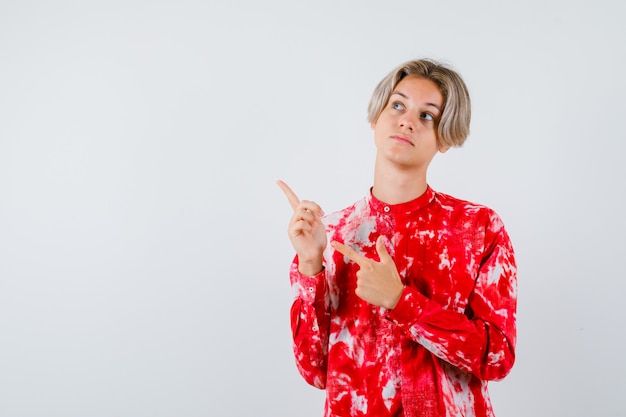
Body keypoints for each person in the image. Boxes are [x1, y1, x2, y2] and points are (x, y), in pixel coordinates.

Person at [277, 58, 517, 417]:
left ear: (445, 138)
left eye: (427, 116)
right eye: (398, 105)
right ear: (376, 119)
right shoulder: (332, 235)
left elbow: (497, 358)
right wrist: (311, 265)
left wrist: (401, 302)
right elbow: (315, 370)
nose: (407, 120)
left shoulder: (478, 228)